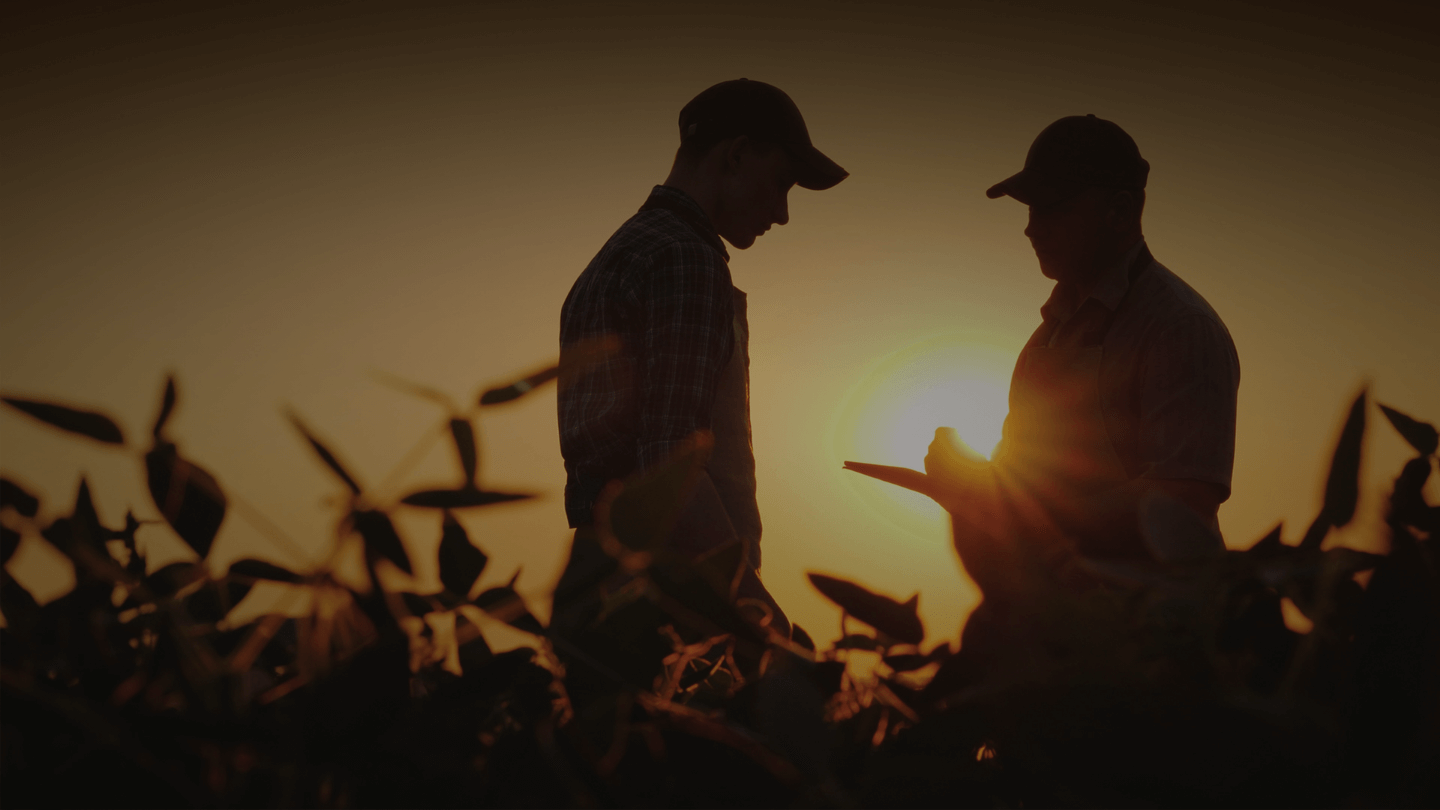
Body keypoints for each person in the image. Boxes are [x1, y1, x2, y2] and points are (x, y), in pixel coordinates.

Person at [854, 114, 1239, 596]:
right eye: (1030, 210)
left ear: (1118, 212)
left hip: (1156, 626)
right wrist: (971, 479)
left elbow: (1184, 501)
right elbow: (1024, 479)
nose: (1031, 230)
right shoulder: (1046, 338)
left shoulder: (1180, 328)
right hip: (1055, 612)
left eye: (1052, 210)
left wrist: (1006, 503)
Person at [556, 79, 848, 637]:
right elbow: (673, 471)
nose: (783, 213)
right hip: (671, 604)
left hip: (598, 587)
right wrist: (759, 619)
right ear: (737, 154)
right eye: (781, 183)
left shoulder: (616, 256)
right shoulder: (686, 258)